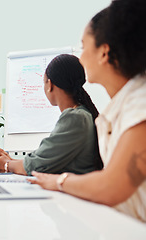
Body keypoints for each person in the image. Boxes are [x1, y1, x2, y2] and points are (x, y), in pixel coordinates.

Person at [29, 0, 146, 222]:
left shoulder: (140, 107)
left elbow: (110, 186)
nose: (80, 58)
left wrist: (58, 182)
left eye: (83, 47)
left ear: (104, 53)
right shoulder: (121, 107)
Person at [0, 54, 103, 175]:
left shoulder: (75, 117)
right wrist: (10, 160)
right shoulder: (82, 114)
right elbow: (44, 159)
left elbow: (36, 166)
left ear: (49, 85)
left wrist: (5, 164)